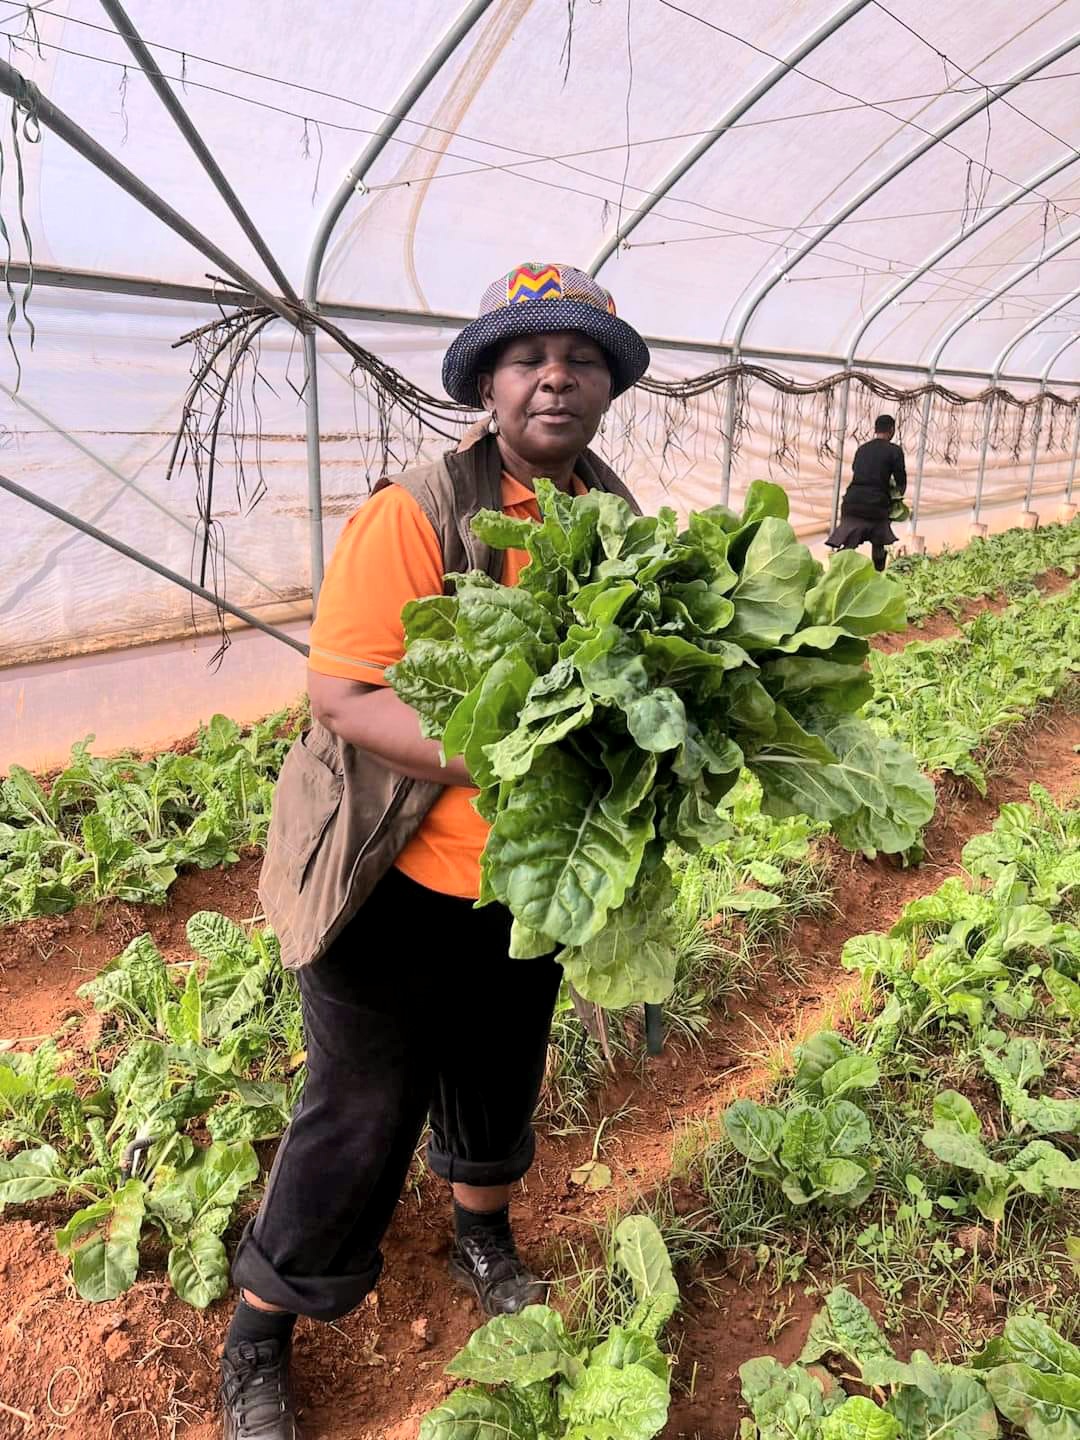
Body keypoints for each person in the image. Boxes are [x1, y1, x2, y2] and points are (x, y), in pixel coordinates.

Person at [218, 263, 650, 1440]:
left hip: (534, 880)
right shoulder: (415, 511)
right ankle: (259, 1331)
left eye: (584, 359)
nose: (556, 377)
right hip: (390, 875)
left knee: (501, 1065)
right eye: (529, 358)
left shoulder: (618, 526)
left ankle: (482, 1236)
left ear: (608, 388)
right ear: (490, 385)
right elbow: (348, 696)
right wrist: (519, 758)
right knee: (360, 1103)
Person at [827, 413, 907, 571]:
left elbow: (857, 470)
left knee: (848, 545)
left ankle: (834, 574)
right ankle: (878, 577)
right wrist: (896, 497)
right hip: (875, 505)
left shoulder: (862, 449)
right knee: (879, 544)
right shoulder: (894, 451)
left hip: (852, 503)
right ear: (892, 430)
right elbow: (900, 481)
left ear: (876, 429)